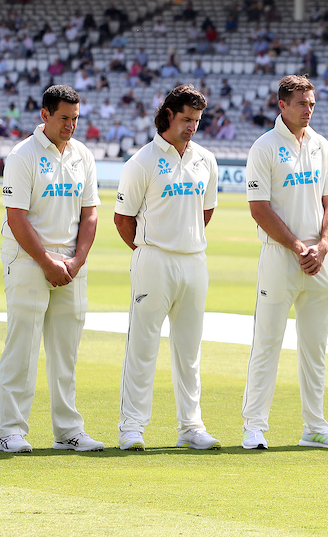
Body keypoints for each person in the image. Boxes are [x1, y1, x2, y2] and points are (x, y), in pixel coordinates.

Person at [241, 76, 328, 451]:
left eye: (312, 104)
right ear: (282, 105)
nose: (308, 110)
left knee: (315, 348)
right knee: (267, 343)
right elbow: (259, 209)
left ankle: (315, 427)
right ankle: (254, 426)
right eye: (302, 103)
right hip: (281, 257)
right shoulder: (265, 147)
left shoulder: (321, 145)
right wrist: (297, 247)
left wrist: (322, 245)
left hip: (319, 260)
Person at [0, 84, 102, 454]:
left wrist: (76, 260)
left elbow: (90, 213)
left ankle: (68, 431)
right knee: (21, 348)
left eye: (75, 118)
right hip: (28, 260)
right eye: (63, 118)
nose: (70, 125)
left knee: (65, 351)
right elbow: (17, 218)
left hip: (70, 264)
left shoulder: (82, 155)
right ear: (45, 115)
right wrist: (46, 262)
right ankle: (10, 430)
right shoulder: (22, 155)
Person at [114, 85, 221, 451]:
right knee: (142, 347)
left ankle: (191, 426)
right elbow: (123, 219)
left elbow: (205, 211)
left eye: (197, 120)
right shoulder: (142, 161)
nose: (192, 126)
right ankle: (131, 428)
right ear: (169, 115)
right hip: (154, 260)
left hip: (194, 260)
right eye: (187, 119)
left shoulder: (205, 159)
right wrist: (151, 247)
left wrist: (183, 240)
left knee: (189, 350)